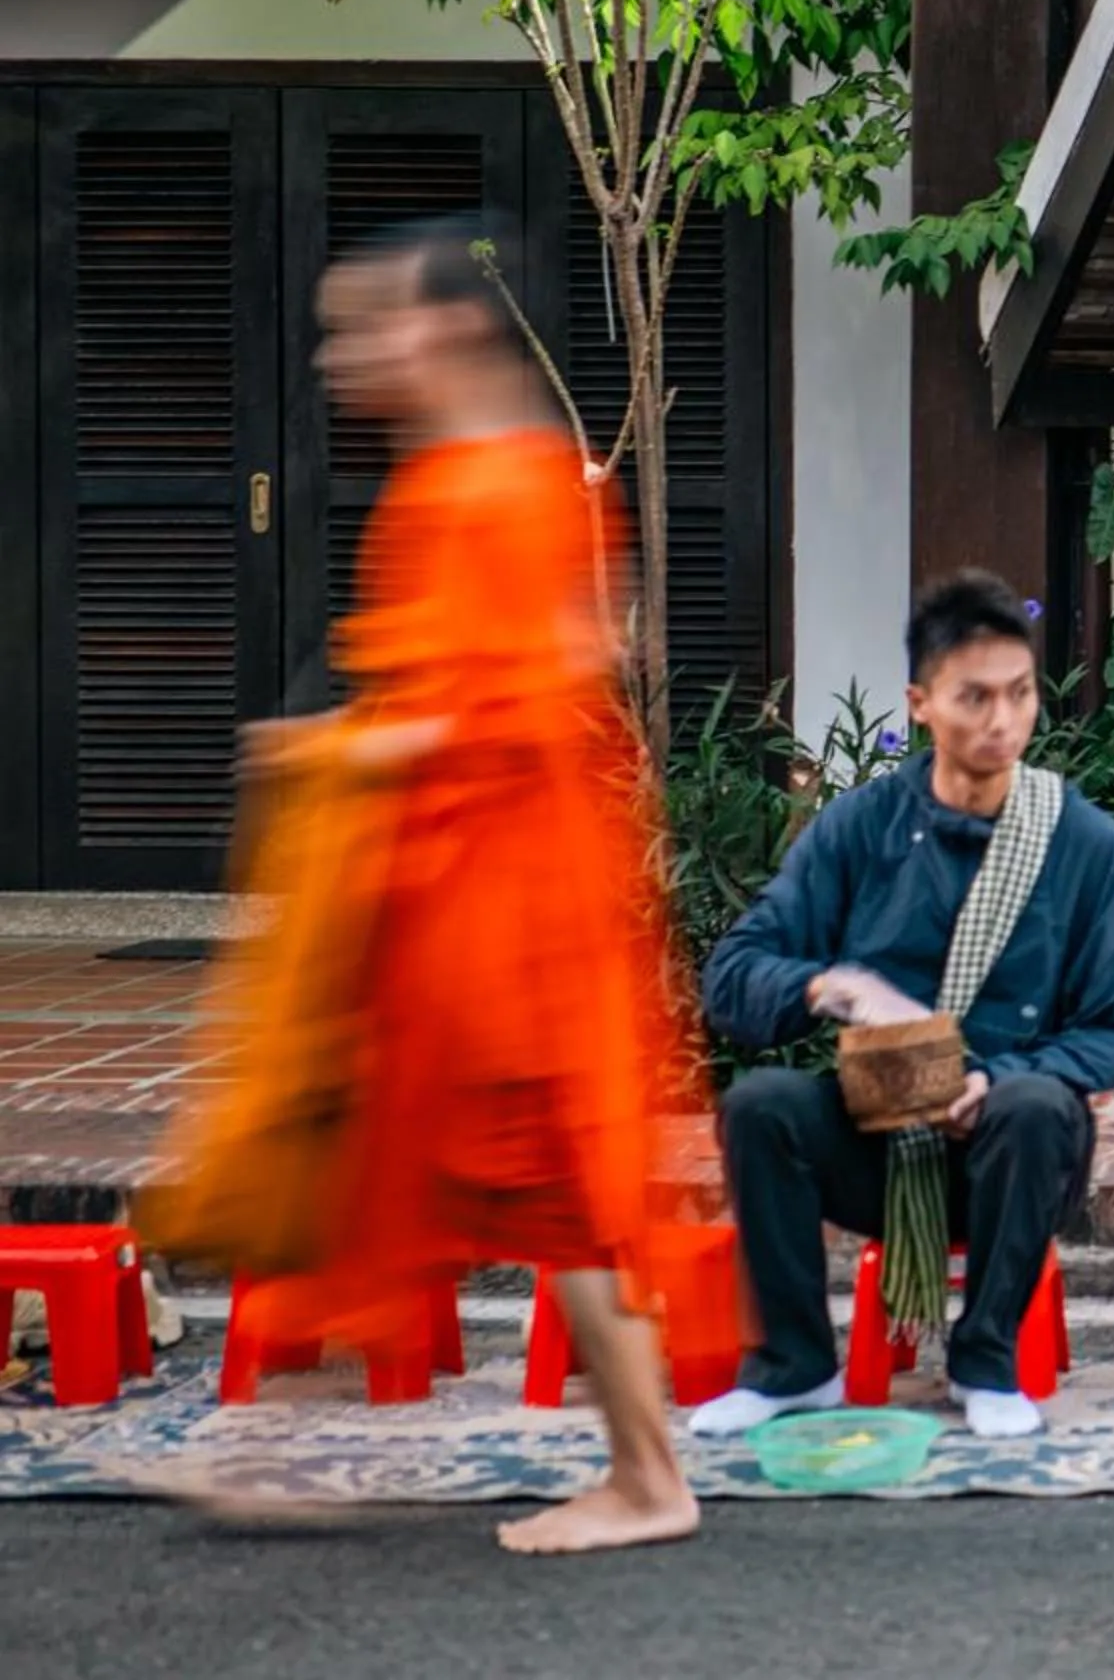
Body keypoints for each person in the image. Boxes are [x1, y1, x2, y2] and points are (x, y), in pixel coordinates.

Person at [138, 217, 694, 1557]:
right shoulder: (475, 477)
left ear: (440, 330)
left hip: (509, 909)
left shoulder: (501, 486)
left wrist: (339, 747)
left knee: (548, 1185)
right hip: (438, 892)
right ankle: (272, 1446)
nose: (340, 357)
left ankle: (649, 1478)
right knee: (348, 1160)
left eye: (361, 325)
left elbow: (518, 702)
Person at [691, 574, 1114, 1442]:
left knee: (1031, 1105)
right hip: (874, 1145)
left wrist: (999, 1076)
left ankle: (985, 1361)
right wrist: (830, 986)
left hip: (1011, 1158)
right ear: (921, 705)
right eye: (973, 697)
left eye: (1018, 695)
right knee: (761, 1106)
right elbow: (734, 976)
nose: (1001, 720)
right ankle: (794, 1368)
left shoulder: (1078, 839)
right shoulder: (860, 827)